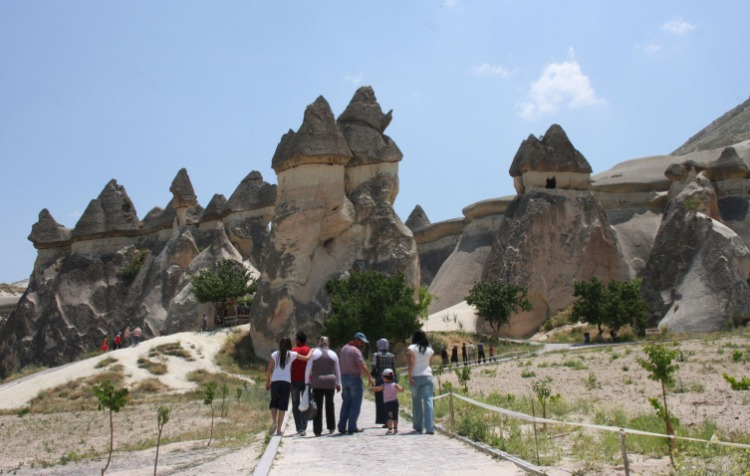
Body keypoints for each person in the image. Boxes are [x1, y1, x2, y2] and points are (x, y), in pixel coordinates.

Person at [265, 337, 312, 436]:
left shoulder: (275, 354)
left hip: (275, 381)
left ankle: (274, 421)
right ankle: (278, 430)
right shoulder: (292, 354)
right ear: (289, 345)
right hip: (286, 382)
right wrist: (311, 351)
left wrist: (267, 382)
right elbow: (306, 358)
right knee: (282, 406)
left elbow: (268, 369)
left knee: (273, 402)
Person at [338, 332, 374, 434]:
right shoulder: (355, 351)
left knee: (346, 403)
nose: (362, 344)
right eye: (362, 342)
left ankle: (341, 426)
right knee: (355, 404)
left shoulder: (344, 348)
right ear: (357, 339)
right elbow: (362, 365)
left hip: (344, 378)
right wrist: (370, 377)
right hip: (354, 378)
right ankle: (352, 426)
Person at [304, 336, 341, 436]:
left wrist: (306, 381)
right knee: (330, 404)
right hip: (330, 382)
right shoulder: (333, 354)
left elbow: (308, 368)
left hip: (318, 382)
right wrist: (338, 383)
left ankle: (317, 430)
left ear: (319, 342)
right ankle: (331, 427)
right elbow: (337, 370)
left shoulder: (314, 353)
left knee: (318, 406)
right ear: (328, 342)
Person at [408, 330, 435, 434]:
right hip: (427, 376)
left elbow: (411, 361)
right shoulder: (430, 350)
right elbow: (430, 364)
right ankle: (430, 427)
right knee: (428, 400)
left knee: (416, 401)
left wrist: (410, 375)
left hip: (415, 376)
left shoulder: (411, 348)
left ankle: (418, 425)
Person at [370, 368, 403, 435]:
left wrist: (373, 388)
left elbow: (378, 389)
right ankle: (395, 429)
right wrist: (401, 389)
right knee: (395, 416)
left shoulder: (384, 385)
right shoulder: (395, 384)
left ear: (384, 377)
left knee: (389, 416)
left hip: (387, 403)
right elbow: (401, 389)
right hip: (395, 402)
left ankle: (390, 429)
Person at [371, 338, 396, 426]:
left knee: (380, 401)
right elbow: (394, 368)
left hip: (379, 379)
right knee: (389, 400)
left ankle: (382, 419)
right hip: (390, 380)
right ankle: (389, 419)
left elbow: (373, 366)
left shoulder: (376, 355)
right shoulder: (391, 356)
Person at [291, 332, 311, 436]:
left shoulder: (293, 351)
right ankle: (304, 426)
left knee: (295, 404)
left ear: (298, 340)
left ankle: (299, 427)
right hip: (306, 381)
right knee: (305, 403)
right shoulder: (308, 350)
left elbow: (290, 367)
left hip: (295, 381)